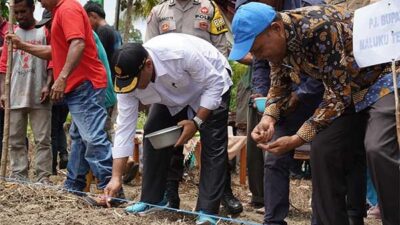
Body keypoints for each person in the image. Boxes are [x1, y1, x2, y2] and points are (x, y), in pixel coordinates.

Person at [230, 3, 399, 225]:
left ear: (276, 28)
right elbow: (279, 85)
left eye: (258, 49)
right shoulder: (277, 45)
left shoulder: (318, 28)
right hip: (350, 90)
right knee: (323, 148)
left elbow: (336, 96)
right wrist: (268, 118)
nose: (257, 56)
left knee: (378, 146)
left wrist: (298, 138)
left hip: (384, 78)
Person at [7, 0, 122, 205]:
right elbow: (56, 51)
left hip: (84, 84)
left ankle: (111, 190)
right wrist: (22, 45)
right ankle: (73, 185)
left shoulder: (68, 9)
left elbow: (78, 43)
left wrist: (62, 77)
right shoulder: (59, 11)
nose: (40, 1)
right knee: (78, 137)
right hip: (79, 86)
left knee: (92, 137)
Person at [112, 33, 232, 225]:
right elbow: (124, 128)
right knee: (153, 132)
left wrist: (196, 122)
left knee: (212, 143)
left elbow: (214, 83)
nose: (132, 89)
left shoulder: (179, 53)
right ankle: (153, 199)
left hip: (211, 83)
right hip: (172, 95)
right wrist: (116, 178)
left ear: (148, 65)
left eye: (135, 82)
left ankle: (208, 211)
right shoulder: (128, 82)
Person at [146, 0, 242, 214]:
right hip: (171, 85)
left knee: (213, 142)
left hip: (206, 82)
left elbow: (222, 46)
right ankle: (169, 193)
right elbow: (147, 51)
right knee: (168, 137)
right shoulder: (158, 12)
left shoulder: (209, 8)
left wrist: (208, 79)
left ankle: (220, 195)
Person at [0, 0, 53, 183]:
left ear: (32, 9)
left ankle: (43, 176)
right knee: (15, 139)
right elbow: (3, 66)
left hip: (39, 94)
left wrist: (48, 84)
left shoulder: (44, 31)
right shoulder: (11, 34)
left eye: (24, 11)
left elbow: (53, 61)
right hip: (15, 93)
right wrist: (3, 92)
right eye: (17, 12)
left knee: (42, 139)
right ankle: (19, 175)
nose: (20, 15)